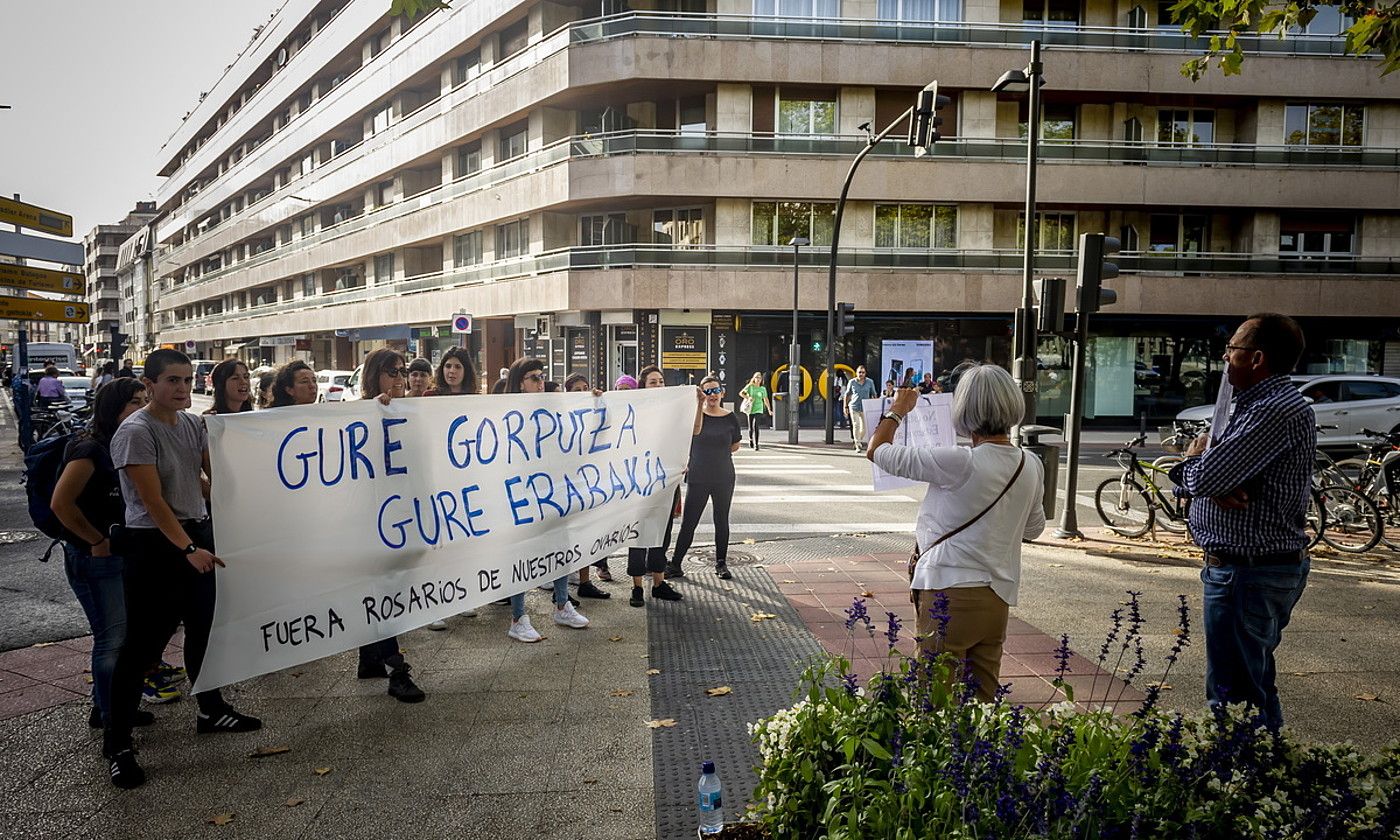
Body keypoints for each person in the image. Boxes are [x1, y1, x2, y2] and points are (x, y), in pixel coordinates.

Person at [103, 350, 262, 789]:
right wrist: (188, 547)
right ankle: (118, 745)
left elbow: (210, 476)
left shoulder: (191, 424)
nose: (182, 389)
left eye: (188, 381)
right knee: (142, 649)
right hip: (156, 546)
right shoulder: (136, 430)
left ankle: (210, 709)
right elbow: (152, 501)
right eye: (172, 381)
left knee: (203, 630)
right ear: (149, 385)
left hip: (195, 536)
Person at [1169, 313, 1313, 731]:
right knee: (1255, 683)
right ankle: (1267, 777)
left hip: (1247, 572)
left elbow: (1207, 473)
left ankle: (1241, 779)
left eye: (1233, 348)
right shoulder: (1249, 405)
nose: (1225, 356)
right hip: (1246, 570)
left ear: (1257, 358)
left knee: (1234, 694)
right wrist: (1205, 476)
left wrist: (1195, 465)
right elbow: (1212, 477)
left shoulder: (1271, 410)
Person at [867, 364, 1045, 701]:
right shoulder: (1030, 463)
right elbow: (1034, 528)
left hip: (948, 592)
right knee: (982, 705)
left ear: (964, 409)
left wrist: (897, 410)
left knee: (934, 702)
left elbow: (877, 451)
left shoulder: (960, 462)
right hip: (998, 596)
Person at [50, 379, 152, 731]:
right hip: (93, 557)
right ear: (113, 410)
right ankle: (113, 718)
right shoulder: (90, 449)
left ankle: (110, 705)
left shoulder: (123, 442)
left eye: (144, 401)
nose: (142, 409)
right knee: (112, 639)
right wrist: (95, 540)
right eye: (134, 403)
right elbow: (61, 503)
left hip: (118, 552)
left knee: (121, 637)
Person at [351, 349, 428, 702]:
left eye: (402, 371)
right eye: (391, 372)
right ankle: (397, 669)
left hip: (401, 516)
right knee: (385, 593)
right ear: (373, 376)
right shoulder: (360, 413)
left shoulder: (408, 410)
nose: (399, 378)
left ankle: (370, 658)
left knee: (388, 589)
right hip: (372, 521)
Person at [502, 357, 592, 641]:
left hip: (553, 491)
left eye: (542, 376)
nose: (541, 381)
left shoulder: (553, 409)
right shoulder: (505, 413)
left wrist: (595, 403)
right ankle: (518, 617)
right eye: (534, 377)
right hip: (522, 495)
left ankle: (562, 604)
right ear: (519, 383)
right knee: (522, 553)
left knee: (560, 544)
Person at [670, 376, 743, 580]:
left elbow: (735, 445)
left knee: (721, 521)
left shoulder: (731, 417)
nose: (712, 395)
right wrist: (699, 403)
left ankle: (721, 563)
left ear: (722, 393)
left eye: (715, 391)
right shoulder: (696, 415)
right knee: (689, 523)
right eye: (707, 392)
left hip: (723, 477)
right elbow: (693, 433)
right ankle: (676, 563)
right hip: (698, 476)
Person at [630, 365, 685, 605]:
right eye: (653, 382)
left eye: (661, 381)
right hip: (639, 483)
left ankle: (659, 583)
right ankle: (637, 588)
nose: (658, 385)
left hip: (665, 482)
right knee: (638, 534)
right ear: (643, 386)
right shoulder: (633, 410)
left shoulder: (671, 410)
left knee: (662, 534)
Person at [842, 365, 879, 453]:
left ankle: (858, 439)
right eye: (859, 372)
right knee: (856, 425)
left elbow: (874, 394)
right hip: (854, 406)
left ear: (865, 373)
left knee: (864, 428)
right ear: (856, 373)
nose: (861, 374)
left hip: (865, 407)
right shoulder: (852, 382)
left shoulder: (870, 382)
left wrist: (875, 405)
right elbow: (847, 395)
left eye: (863, 372)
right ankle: (857, 444)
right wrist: (845, 406)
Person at [738, 372, 773, 451]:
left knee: (756, 426)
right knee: (750, 427)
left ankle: (756, 444)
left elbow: (765, 399)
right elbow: (741, 393)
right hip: (750, 408)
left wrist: (769, 409)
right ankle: (750, 439)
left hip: (759, 408)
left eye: (759, 378)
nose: (758, 379)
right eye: (757, 377)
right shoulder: (750, 387)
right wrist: (748, 397)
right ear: (754, 378)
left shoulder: (762, 389)